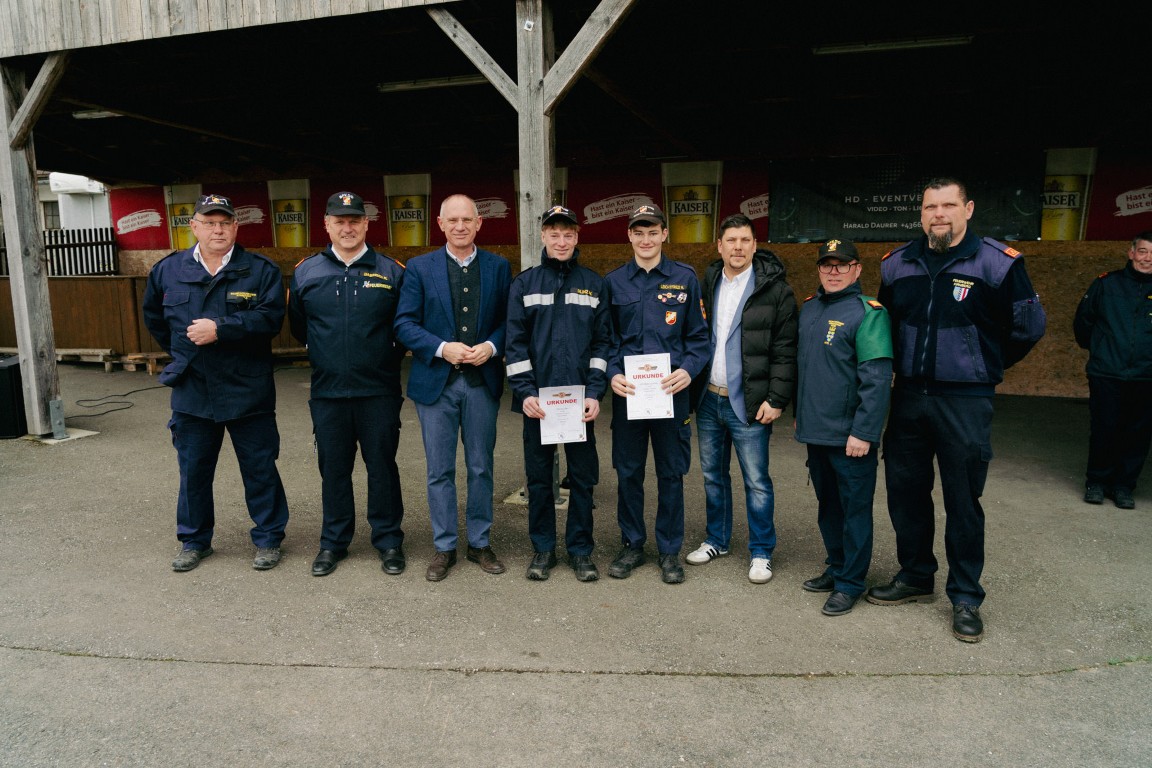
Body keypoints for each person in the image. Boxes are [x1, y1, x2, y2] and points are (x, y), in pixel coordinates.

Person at [869, 177, 1046, 643]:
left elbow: (1028, 327)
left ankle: (966, 596)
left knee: (963, 500)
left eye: (948, 205)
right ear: (921, 213)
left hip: (965, 400)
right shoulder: (897, 264)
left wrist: (983, 364)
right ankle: (915, 575)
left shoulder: (997, 263)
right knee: (905, 491)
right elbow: (885, 326)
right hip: (909, 397)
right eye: (930, 207)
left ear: (968, 209)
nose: (939, 214)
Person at [142, 193, 290, 572]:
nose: (218, 230)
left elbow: (271, 319)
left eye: (225, 223)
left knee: (259, 468)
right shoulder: (168, 270)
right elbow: (156, 319)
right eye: (209, 223)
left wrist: (220, 329)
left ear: (236, 227)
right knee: (193, 470)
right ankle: (194, 541)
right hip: (193, 387)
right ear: (194, 227)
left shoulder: (260, 270)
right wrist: (184, 353)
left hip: (247, 387)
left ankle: (268, 538)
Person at [288, 191, 407, 577]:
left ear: (366, 224)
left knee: (382, 467)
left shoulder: (392, 271)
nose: (348, 227)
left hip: (378, 390)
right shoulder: (306, 271)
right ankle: (333, 542)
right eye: (339, 221)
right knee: (334, 469)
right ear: (326, 225)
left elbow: (403, 327)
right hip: (329, 392)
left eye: (355, 220)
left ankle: (388, 541)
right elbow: (300, 326)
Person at [394, 194, 511, 581]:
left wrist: (491, 346)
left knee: (481, 467)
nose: (460, 226)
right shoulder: (419, 267)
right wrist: (442, 348)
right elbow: (404, 324)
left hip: (481, 383)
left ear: (479, 223)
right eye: (453, 220)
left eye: (467, 220)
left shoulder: (498, 267)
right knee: (439, 470)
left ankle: (479, 542)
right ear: (440, 224)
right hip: (436, 384)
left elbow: (510, 321)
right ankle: (444, 546)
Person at [686, 213, 797, 584]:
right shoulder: (708, 282)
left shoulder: (775, 290)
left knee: (757, 481)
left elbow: (785, 349)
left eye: (745, 240)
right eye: (731, 240)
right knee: (712, 477)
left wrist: (777, 398)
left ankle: (761, 551)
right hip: (709, 398)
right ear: (719, 246)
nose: (738, 247)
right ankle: (717, 540)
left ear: (755, 245)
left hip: (749, 402)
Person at [505, 205, 613, 581]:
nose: (561, 241)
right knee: (539, 480)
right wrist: (525, 393)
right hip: (538, 403)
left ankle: (581, 551)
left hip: (580, 404)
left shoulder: (593, 284)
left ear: (577, 236)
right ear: (543, 237)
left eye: (568, 234)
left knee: (583, 478)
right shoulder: (524, 284)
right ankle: (543, 550)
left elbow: (602, 344)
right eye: (554, 234)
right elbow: (515, 345)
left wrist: (595, 393)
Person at [605, 204, 710, 584]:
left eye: (653, 232)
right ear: (629, 236)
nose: (646, 239)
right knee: (629, 473)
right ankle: (632, 545)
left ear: (665, 234)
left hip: (671, 394)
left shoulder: (685, 278)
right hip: (629, 394)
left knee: (671, 473)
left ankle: (669, 551)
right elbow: (607, 340)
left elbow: (699, 338)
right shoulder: (613, 282)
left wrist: (688, 370)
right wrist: (613, 374)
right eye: (639, 232)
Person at [795, 239, 892, 616]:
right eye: (827, 265)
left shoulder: (869, 313)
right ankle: (836, 568)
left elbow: (877, 380)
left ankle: (851, 583)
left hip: (851, 437)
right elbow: (807, 370)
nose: (833, 272)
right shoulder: (809, 308)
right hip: (817, 432)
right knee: (829, 508)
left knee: (854, 512)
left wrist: (864, 433)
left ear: (857, 269)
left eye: (842, 265)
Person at [1073, 231, 1152, 510]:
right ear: (1131, 253)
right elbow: (1083, 323)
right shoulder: (1106, 284)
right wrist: (1102, 350)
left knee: (1138, 433)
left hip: (1146, 375)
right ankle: (1096, 482)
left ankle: (1123, 486)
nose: (1148, 258)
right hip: (1107, 372)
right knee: (1104, 428)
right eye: (1142, 251)